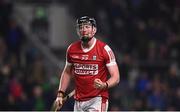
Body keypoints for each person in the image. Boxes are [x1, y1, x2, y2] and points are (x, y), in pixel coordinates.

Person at [55, 16, 120, 111]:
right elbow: (67, 72)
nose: (83, 30)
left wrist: (104, 85)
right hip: (78, 101)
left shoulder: (104, 49)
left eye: (87, 27)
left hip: (97, 99)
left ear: (94, 30)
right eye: (80, 27)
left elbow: (116, 77)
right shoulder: (71, 49)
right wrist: (60, 94)